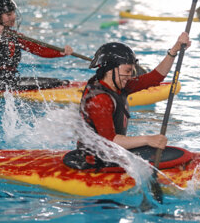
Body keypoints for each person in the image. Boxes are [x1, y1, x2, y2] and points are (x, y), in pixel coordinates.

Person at [66, 32, 191, 169]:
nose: (129, 76)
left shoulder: (119, 84)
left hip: (111, 152)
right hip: (94, 160)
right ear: (110, 70)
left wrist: (174, 50)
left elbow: (155, 77)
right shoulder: (99, 99)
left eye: (131, 71)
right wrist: (148, 139)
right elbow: (110, 141)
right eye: (127, 71)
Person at [0, 0, 73, 91]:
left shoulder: (12, 35)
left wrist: (61, 52)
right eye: (8, 14)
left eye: (13, 13)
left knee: (58, 81)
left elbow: (38, 49)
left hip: (10, 82)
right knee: (56, 84)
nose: (14, 17)